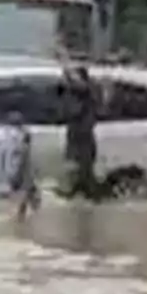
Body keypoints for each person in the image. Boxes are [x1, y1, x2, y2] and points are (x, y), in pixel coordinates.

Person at [59, 62, 100, 200]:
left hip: (84, 139)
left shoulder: (87, 92)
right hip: (76, 138)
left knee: (84, 172)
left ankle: (89, 194)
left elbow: (81, 88)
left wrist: (67, 74)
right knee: (76, 171)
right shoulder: (74, 94)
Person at [3, 112, 40, 220]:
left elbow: (18, 157)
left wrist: (14, 173)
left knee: (23, 194)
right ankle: (27, 215)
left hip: (23, 172)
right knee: (27, 194)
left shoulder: (18, 137)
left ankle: (22, 216)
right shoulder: (22, 136)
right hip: (25, 173)